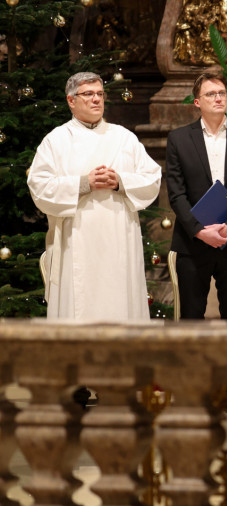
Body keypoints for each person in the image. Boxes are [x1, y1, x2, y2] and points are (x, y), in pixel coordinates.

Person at [28, 72, 161, 321]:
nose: (96, 99)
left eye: (100, 94)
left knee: (121, 305)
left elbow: (152, 178)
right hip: (76, 241)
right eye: (88, 94)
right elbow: (39, 186)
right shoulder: (56, 140)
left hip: (120, 241)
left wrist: (120, 182)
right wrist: (83, 184)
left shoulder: (124, 138)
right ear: (71, 100)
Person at [166, 72, 227, 319]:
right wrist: (200, 231)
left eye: (222, 93)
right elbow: (176, 194)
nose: (218, 98)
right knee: (191, 318)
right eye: (211, 94)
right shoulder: (179, 139)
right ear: (197, 102)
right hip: (193, 242)